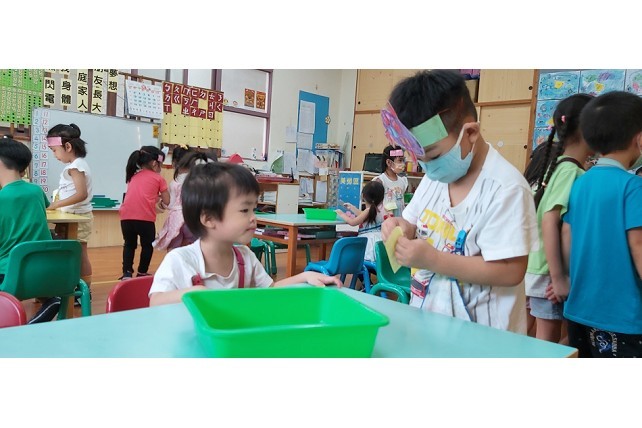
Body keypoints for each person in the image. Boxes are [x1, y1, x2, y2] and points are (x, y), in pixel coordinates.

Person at [380, 69, 538, 333]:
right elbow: (411, 223)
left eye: (433, 155)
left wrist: (434, 260)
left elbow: (511, 271)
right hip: (429, 329)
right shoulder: (434, 178)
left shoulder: (506, 189)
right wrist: (400, 227)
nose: (427, 167)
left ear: (471, 133)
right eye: (420, 158)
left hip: (484, 340)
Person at [149, 162, 342, 305]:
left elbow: (270, 291)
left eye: (253, 209)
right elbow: (155, 301)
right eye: (244, 210)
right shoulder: (180, 260)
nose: (253, 217)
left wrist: (305, 276)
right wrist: (191, 293)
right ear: (208, 218)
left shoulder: (245, 257)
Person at [561, 91, 642, 357]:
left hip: (579, 308)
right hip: (622, 316)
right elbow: (639, 245)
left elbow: (567, 235)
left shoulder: (581, 182)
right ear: (639, 140)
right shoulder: (634, 186)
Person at [524, 94, 594, 343]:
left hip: (541, 267)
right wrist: (558, 277)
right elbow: (550, 220)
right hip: (547, 271)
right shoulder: (569, 170)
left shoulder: (560, 167)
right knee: (547, 344)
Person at [0, 136, 60, 323]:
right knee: (51, 296)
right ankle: (37, 318)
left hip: (7, 274)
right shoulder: (36, 191)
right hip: (43, 270)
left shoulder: (2, 197)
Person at [46, 123, 94, 304]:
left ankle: (84, 293)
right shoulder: (76, 165)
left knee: (80, 254)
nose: (54, 155)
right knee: (73, 254)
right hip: (73, 216)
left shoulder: (76, 166)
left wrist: (56, 204)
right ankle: (73, 288)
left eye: (54, 150)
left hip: (78, 217)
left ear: (67, 147)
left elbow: (81, 194)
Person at [118, 145, 170, 280]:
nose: (161, 168)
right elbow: (167, 200)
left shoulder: (133, 177)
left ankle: (127, 273)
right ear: (154, 163)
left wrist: (155, 196)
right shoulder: (158, 178)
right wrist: (161, 198)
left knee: (129, 244)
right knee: (147, 245)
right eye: (160, 165)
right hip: (145, 218)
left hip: (126, 218)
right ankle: (142, 271)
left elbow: (141, 194)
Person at [153, 151, 211, 251]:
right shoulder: (198, 181)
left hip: (175, 220)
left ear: (175, 164)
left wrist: (162, 204)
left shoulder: (175, 182)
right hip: (192, 219)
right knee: (191, 249)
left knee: (173, 250)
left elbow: (170, 203)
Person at [335, 180, 387, 262]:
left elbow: (353, 222)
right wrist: (352, 208)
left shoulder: (369, 210)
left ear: (363, 196)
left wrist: (341, 214)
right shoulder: (380, 210)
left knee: (363, 261)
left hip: (369, 242)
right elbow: (364, 216)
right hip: (379, 239)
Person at [374, 145, 408, 218]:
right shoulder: (380, 181)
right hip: (385, 220)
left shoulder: (403, 181)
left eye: (403, 160)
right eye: (400, 160)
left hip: (399, 219)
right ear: (389, 162)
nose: (403, 164)